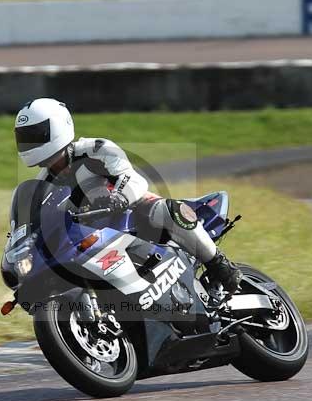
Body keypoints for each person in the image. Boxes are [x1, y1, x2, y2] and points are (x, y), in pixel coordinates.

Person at [13, 98, 243, 292]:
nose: (29, 143)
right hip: (91, 236)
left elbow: (133, 179)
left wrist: (119, 197)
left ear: (57, 127)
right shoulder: (42, 184)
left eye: (35, 134)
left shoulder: (95, 150)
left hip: (131, 213)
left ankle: (219, 265)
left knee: (170, 211)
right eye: (24, 137)